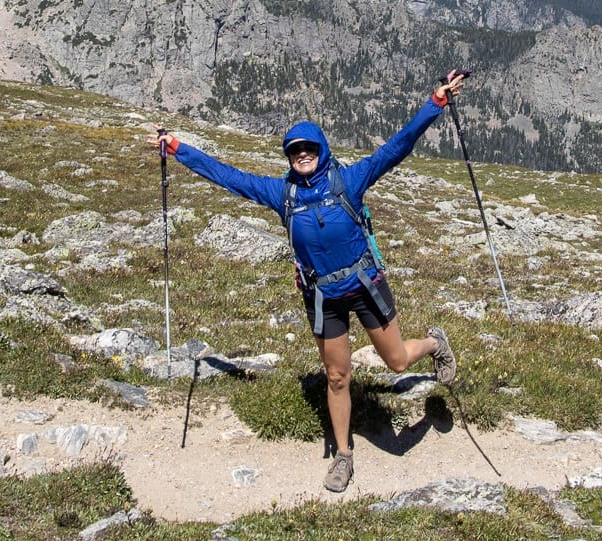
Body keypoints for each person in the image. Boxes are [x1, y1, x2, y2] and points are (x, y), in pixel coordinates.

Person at [148, 70, 468, 493]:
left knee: (398, 362)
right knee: (337, 377)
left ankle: (434, 343)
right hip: (322, 296)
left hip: (364, 284)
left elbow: (398, 146)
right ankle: (343, 455)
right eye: (294, 150)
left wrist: (436, 103)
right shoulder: (281, 195)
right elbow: (228, 176)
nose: (301, 155)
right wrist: (177, 148)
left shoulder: (348, 182)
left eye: (308, 148)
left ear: (321, 149)